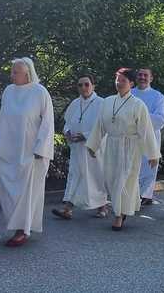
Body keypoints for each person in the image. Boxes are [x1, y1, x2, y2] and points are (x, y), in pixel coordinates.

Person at [85, 68, 160, 231]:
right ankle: (123, 209)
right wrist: (93, 145)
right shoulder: (108, 102)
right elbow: (99, 125)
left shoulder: (138, 105)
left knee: (124, 180)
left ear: (131, 83)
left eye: (123, 80)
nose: (119, 83)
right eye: (117, 79)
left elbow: (146, 130)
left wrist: (152, 154)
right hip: (111, 145)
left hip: (130, 147)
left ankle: (119, 215)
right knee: (112, 180)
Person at [0, 57, 54, 247]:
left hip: (31, 151)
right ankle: (15, 226)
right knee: (10, 191)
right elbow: (2, 118)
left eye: (15, 72)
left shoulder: (40, 92)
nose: (11, 75)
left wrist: (41, 148)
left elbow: (47, 123)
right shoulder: (8, 91)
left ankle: (23, 229)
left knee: (27, 192)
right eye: (12, 71)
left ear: (27, 73)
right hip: (9, 150)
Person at [52, 74, 109, 220]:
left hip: (93, 149)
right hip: (77, 149)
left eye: (86, 84)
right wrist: (68, 133)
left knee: (96, 178)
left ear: (93, 86)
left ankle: (102, 206)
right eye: (80, 85)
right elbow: (67, 123)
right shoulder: (75, 103)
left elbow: (105, 126)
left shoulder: (102, 103)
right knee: (75, 176)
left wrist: (86, 135)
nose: (83, 87)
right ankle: (68, 209)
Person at [131, 68, 164, 206]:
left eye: (145, 75)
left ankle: (145, 195)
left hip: (150, 137)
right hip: (131, 137)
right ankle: (132, 194)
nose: (142, 77)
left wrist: (138, 118)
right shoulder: (129, 94)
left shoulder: (158, 97)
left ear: (151, 78)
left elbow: (160, 119)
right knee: (132, 166)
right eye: (140, 75)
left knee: (148, 167)